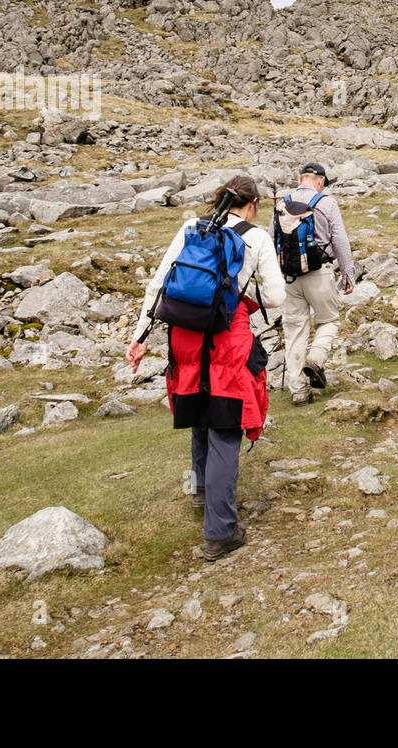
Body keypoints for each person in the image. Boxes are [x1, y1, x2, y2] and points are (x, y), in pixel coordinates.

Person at [126, 175, 284, 562]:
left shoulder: (191, 228)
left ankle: (201, 493)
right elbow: (278, 297)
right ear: (253, 204)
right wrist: (249, 293)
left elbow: (160, 284)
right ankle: (220, 531)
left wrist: (139, 336)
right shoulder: (258, 238)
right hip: (228, 340)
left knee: (198, 412)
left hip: (185, 337)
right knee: (225, 428)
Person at [272, 163, 356, 406]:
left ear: (301, 179)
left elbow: (271, 238)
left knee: (295, 330)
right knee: (329, 320)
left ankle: (299, 392)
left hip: (288, 277)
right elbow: (339, 238)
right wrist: (348, 273)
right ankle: (316, 359)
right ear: (319, 181)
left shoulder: (282, 202)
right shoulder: (326, 202)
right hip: (320, 272)